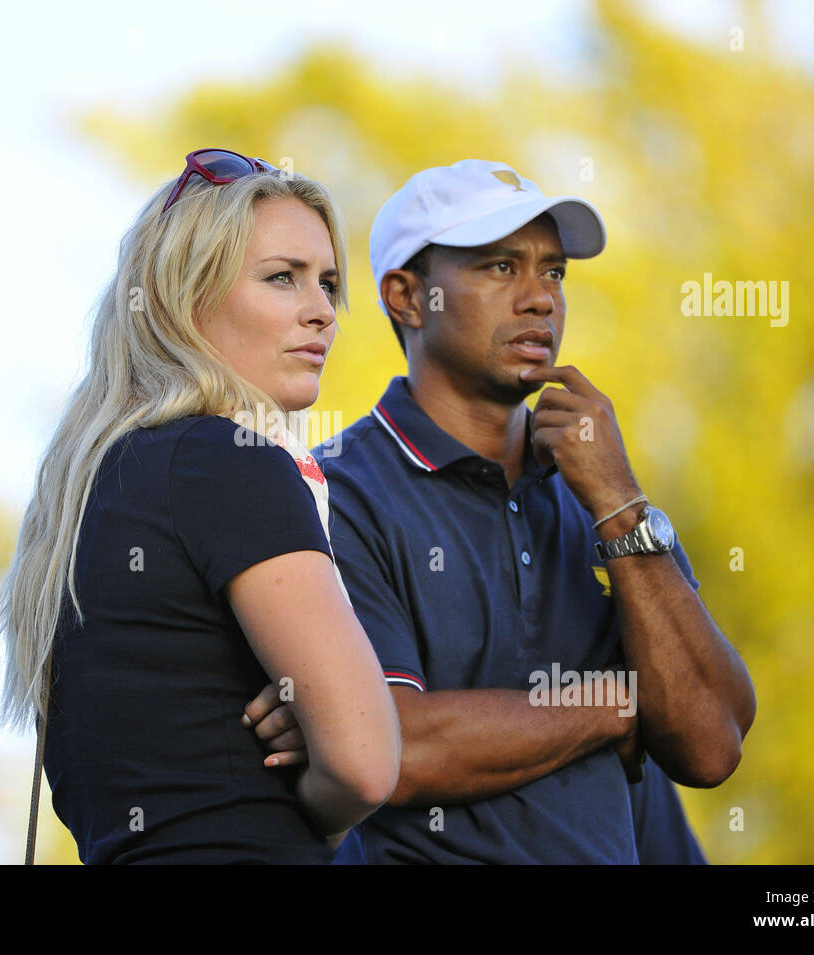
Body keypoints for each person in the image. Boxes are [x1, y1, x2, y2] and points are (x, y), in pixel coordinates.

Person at [300, 159, 755, 863]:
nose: (541, 298)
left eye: (554, 271)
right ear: (408, 298)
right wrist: (618, 705)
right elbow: (392, 743)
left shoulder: (603, 494)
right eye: (500, 267)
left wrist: (618, 503)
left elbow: (711, 740)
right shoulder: (337, 490)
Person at [0, 149, 401, 864]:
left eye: (329, 284)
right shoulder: (226, 460)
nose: (323, 312)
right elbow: (366, 760)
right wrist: (317, 784)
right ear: (185, 299)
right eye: (282, 278)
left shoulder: (98, 489)